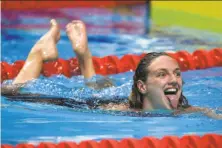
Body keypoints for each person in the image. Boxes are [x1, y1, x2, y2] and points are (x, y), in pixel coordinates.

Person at [1, 19, 222, 119]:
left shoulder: (192, 111)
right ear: (142, 86)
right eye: (162, 74)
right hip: (87, 103)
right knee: (10, 93)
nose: (174, 79)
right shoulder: (118, 111)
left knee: (103, 85)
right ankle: (39, 52)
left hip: (113, 96)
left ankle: (84, 56)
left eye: (176, 73)